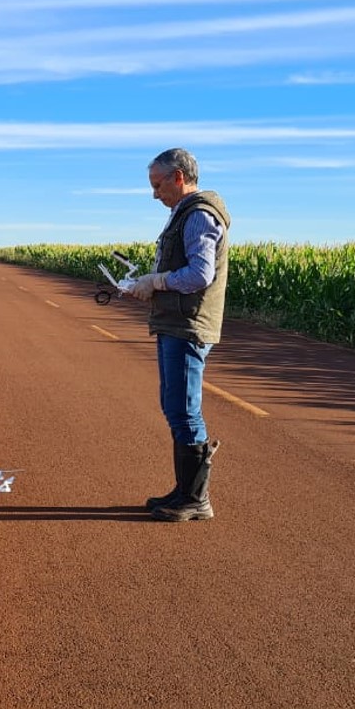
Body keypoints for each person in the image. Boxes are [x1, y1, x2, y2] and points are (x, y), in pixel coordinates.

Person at [122, 148, 231, 521]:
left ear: (178, 177)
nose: (155, 193)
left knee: (184, 409)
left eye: (157, 184)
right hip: (176, 322)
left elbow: (200, 275)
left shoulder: (199, 215)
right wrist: (149, 286)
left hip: (189, 326)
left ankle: (195, 499)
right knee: (174, 406)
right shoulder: (184, 214)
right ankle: (184, 490)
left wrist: (157, 281)